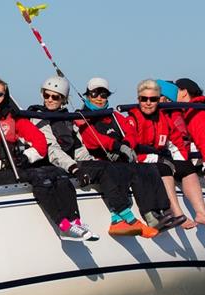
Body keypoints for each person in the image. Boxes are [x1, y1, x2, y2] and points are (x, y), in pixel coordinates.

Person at [0, 79, 98, 241]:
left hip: (11, 168)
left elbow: (40, 142)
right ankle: (63, 226)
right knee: (39, 178)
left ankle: (75, 221)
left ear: (6, 96)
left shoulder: (14, 119)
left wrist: (26, 157)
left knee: (57, 173)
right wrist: (0, 164)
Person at [27, 76, 145, 237]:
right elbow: (52, 150)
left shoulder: (67, 118)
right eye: (46, 95)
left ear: (63, 99)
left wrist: (90, 162)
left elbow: (78, 147)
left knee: (108, 167)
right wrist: (75, 168)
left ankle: (118, 219)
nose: (49, 100)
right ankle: (127, 216)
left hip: (69, 163)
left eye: (55, 97)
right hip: (52, 166)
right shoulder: (39, 117)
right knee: (98, 171)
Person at [75, 77, 181, 236]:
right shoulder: (81, 117)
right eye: (95, 94)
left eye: (103, 94)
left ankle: (156, 214)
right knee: (120, 172)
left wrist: (126, 144)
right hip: (98, 160)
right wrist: (117, 146)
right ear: (88, 95)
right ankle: (119, 218)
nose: (99, 98)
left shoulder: (115, 116)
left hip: (120, 157)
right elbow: (91, 139)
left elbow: (131, 133)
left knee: (148, 169)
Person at [128, 79, 205, 230]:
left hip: (160, 158)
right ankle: (177, 213)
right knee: (164, 167)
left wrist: (180, 161)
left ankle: (201, 213)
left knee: (186, 167)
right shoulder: (134, 118)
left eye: (156, 98)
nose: (150, 103)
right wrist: (157, 158)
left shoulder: (165, 119)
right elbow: (131, 146)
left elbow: (175, 142)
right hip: (140, 160)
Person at [175, 78, 205, 191]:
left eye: (176, 90)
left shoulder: (196, 115)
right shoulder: (195, 111)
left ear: (184, 92)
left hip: (200, 166)